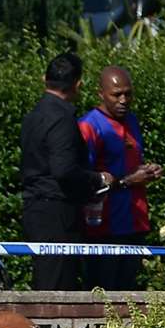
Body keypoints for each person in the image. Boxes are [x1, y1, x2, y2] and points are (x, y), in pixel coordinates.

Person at [20, 53, 114, 291]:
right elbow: (63, 170)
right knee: (58, 287)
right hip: (57, 213)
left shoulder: (33, 115)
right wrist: (98, 178)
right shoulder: (62, 118)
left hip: (36, 208)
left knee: (46, 279)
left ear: (45, 79)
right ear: (78, 84)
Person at [78, 65, 164, 291]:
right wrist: (127, 181)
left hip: (133, 222)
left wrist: (147, 172)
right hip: (103, 226)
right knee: (103, 293)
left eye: (128, 93)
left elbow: (130, 165)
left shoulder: (132, 121)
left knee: (129, 293)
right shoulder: (89, 126)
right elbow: (83, 179)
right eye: (116, 94)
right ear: (101, 94)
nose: (123, 100)